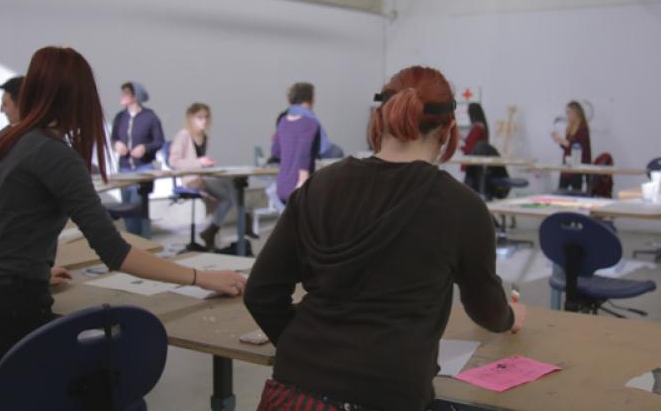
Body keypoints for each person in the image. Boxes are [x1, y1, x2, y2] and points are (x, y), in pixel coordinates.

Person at [0, 47, 246, 398]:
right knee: (113, 397)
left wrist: (17, 270)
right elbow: (116, 253)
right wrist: (202, 277)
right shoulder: (56, 154)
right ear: (79, 99)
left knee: (14, 398)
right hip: (9, 318)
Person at [244, 66, 525, 411]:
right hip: (389, 395)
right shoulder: (462, 207)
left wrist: (308, 350)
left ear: (382, 118)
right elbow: (487, 310)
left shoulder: (320, 186)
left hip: (294, 394)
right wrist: (511, 316)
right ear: (450, 127)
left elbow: (261, 291)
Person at [168, 103, 237, 252]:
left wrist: (205, 164)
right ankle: (216, 228)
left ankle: (213, 229)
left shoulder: (205, 137)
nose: (203, 121)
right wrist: (199, 162)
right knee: (229, 196)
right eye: (199, 117)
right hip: (189, 179)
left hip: (202, 176)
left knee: (231, 184)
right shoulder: (184, 135)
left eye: (206, 117)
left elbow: (199, 162)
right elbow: (174, 161)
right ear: (191, 118)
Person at [110, 81, 164, 237]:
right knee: (127, 208)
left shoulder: (150, 117)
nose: (122, 96)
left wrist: (144, 148)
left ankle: (143, 243)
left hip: (143, 168)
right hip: (124, 168)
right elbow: (113, 139)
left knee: (138, 207)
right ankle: (133, 243)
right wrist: (117, 145)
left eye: (126, 93)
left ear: (136, 96)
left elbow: (159, 141)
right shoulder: (120, 117)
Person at [271, 84, 321, 204]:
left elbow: (275, 152)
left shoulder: (283, 121)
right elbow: (304, 155)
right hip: (299, 185)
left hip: (282, 185)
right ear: (311, 99)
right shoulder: (310, 123)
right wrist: (302, 182)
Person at [551, 101, 591, 192]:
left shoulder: (582, 128)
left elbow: (577, 147)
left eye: (569, 112)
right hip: (567, 165)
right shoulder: (570, 127)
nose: (567, 115)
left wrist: (562, 140)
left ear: (576, 113)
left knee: (576, 192)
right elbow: (567, 147)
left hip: (577, 167)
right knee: (561, 190)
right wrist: (559, 141)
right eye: (567, 112)